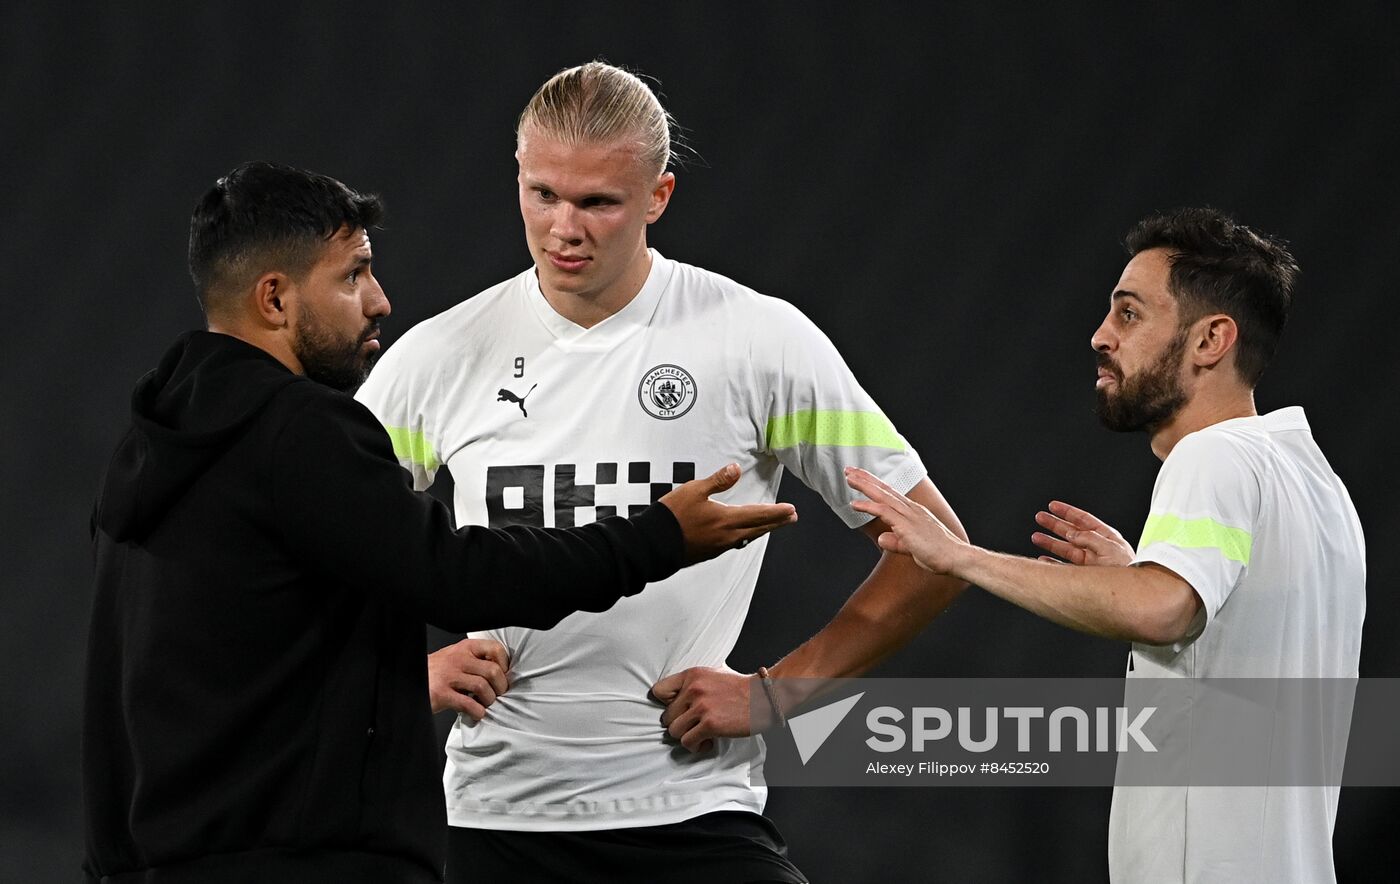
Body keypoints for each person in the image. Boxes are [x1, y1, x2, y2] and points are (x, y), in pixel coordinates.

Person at [82, 161, 797, 883]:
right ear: (275, 298)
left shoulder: (149, 448)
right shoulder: (298, 432)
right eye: (352, 275)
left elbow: (180, 677)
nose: (380, 300)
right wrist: (660, 536)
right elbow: (458, 577)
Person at [354, 62, 967, 883]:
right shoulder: (440, 354)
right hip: (493, 821)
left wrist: (778, 695)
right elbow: (316, 553)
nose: (564, 227)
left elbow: (935, 550)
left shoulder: (757, 341)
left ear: (659, 197)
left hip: (691, 815)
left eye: (598, 202)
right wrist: (400, 677)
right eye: (542, 193)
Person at [846, 207, 1366, 884]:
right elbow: (1213, 627)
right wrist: (1140, 573)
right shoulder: (1318, 487)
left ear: (1211, 340)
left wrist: (957, 556)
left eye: (1129, 314)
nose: (1099, 336)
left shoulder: (1214, 458)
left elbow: (1162, 610)